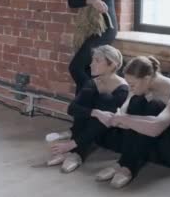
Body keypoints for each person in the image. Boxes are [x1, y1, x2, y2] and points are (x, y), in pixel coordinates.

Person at [95, 56, 170, 188]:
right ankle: (123, 163)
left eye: (132, 85)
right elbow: (126, 109)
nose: (130, 88)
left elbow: (156, 128)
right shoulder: (143, 85)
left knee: (154, 106)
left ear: (147, 78)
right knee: (137, 101)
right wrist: (118, 118)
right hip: (152, 147)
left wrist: (123, 119)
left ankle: (128, 167)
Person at [46, 45, 128, 173]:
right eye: (92, 60)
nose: (91, 64)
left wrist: (71, 144)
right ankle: (76, 152)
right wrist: (95, 112)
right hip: (92, 134)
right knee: (87, 106)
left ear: (112, 65)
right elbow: (72, 109)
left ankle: (77, 152)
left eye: (97, 61)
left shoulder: (123, 89)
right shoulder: (93, 82)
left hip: (113, 136)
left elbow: (106, 122)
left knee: (105, 102)